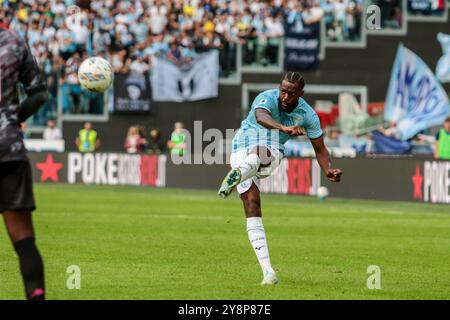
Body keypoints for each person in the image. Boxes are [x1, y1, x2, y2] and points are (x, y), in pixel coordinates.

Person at [218, 72, 343, 285]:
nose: (285, 96)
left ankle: (239, 173)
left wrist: (327, 170)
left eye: (291, 93)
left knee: (261, 151)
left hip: (271, 149)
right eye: (283, 91)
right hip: (241, 147)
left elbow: (320, 148)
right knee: (252, 204)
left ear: (301, 94)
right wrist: (283, 127)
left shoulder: (308, 115)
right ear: (279, 88)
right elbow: (260, 117)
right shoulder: (266, 97)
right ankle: (268, 271)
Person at [0, 27, 47, 300]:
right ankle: (36, 295)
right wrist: (12, 119)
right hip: (9, 147)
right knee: (24, 239)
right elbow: (39, 94)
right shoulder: (13, 41)